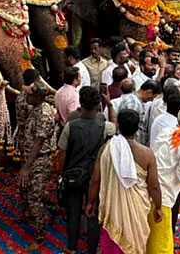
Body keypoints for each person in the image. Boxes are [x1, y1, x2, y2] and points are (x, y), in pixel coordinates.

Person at [86, 108, 163, 254]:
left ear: (118, 126)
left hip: (113, 207)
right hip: (138, 208)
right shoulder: (147, 154)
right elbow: (154, 186)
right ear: (137, 128)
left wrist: (91, 202)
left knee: (111, 244)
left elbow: (95, 180)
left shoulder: (106, 149)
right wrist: (158, 207)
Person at [58, 87, 109, 254]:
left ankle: (71, 247)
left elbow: (62, 152)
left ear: (80, 103)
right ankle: (92, 248)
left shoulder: (70, 126)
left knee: (73, 211)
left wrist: (61, 172)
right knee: (93, 211)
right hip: (95, 177)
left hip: (73, 175)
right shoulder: (105, 127)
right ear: (98, 105)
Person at [16, 80, 57, 251]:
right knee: (30, 191)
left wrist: (26, 168)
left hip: (39, 161)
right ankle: (54, 208)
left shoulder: (44, 115)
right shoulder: (35, 108)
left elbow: (38, 143)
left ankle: (40, 237)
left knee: (34, 199)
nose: (26, 97)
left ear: (38, 97)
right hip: (31, 158)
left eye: (29, 95)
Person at [150, 107, 180, 251]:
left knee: (152, 229)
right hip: (164, 194)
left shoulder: (165, 132)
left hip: (151, 185)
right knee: (161, 237)